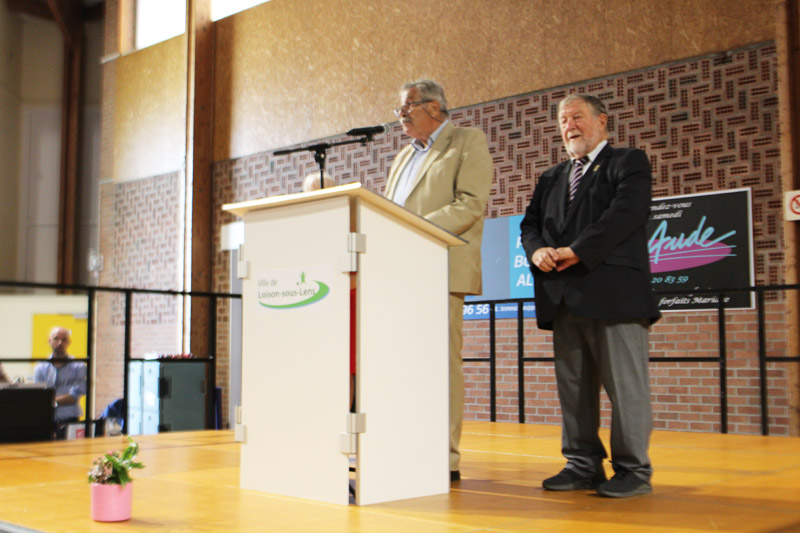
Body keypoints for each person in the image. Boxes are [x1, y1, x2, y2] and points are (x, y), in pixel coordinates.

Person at [520, 94, 661, 498]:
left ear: (601, 121)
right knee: (574, 389)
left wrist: (577, 250)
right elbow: (530, 224)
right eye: (563, 120)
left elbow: (626, 214)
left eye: (577, 117)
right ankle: (582, 464)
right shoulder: (551, 177)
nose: (570, 126)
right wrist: (537, 251)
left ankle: (633, 470)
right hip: (563, 297)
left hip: (615, 295)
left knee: (626, 388)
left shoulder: (628, 162)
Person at [385, 79, 493, 481]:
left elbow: (470, 204)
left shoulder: (467, 141)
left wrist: (412, 228)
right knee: (401, 364)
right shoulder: (402, 156)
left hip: (439, 267)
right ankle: (404, 445)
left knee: (439, 365)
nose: (401, 115)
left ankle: (443, 456)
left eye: (407, 106)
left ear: (434, 107)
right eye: (399, 108)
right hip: (399, 271)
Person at [33, 326, 87, 439]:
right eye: (56, 338)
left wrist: (50, 401)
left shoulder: (79, 366)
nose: (60, 343)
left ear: (69, 342)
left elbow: (73, 397)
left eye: (64, 340)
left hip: (71, 420)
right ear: (49, 341)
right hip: (46, 421)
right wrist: (56, 400)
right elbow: (39, 397)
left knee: (72, 450)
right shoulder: (40, 368)